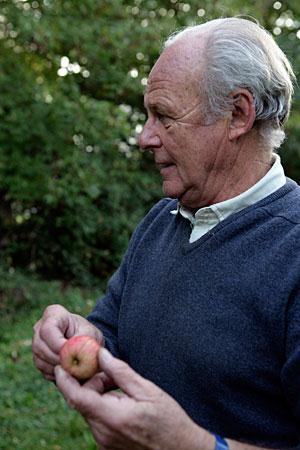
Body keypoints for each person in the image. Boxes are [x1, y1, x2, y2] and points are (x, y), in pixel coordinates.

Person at [32, 17, 300, 450]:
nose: (144, 137)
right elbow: (112, 330)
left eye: (164, 115)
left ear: (238, 114)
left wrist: (191, 444)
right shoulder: (163, 220)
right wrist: (81, 336)